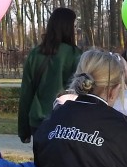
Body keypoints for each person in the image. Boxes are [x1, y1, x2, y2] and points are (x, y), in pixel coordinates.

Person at [18, 7, 82, 144]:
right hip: (66, 122)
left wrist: (23, 130)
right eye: (74, 26)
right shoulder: (76, 55)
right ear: (68, 27)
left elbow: (26, 94)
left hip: (38, 122)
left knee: (40, 158)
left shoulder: (35, 54)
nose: (76, 31)